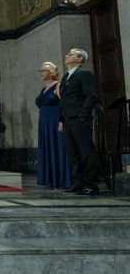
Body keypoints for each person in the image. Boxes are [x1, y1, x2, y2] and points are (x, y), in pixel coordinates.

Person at [59, 48, 99, 195]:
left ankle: (91, 185)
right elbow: (63, 101)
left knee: (86, 153)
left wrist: (82, 116)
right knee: (72, 153)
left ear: (80, 59)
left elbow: (91, 96)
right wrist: (61, 119)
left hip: (80, 119)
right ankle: (77, 184)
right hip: (68, 120)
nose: (67, 55)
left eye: (71, 54)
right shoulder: (65, 77)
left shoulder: (85, 74)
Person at [35, 61, 70, 189]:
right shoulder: (43, 89)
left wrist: (62, 120)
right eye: (40, 70)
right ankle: (51, 179)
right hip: (44, 123)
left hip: (55, 121)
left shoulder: (58, 85)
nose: (41, 73)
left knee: (58, 148)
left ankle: (61, 180)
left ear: (52, 72)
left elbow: (63, 103)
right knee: (48, 147)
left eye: (44, 70)